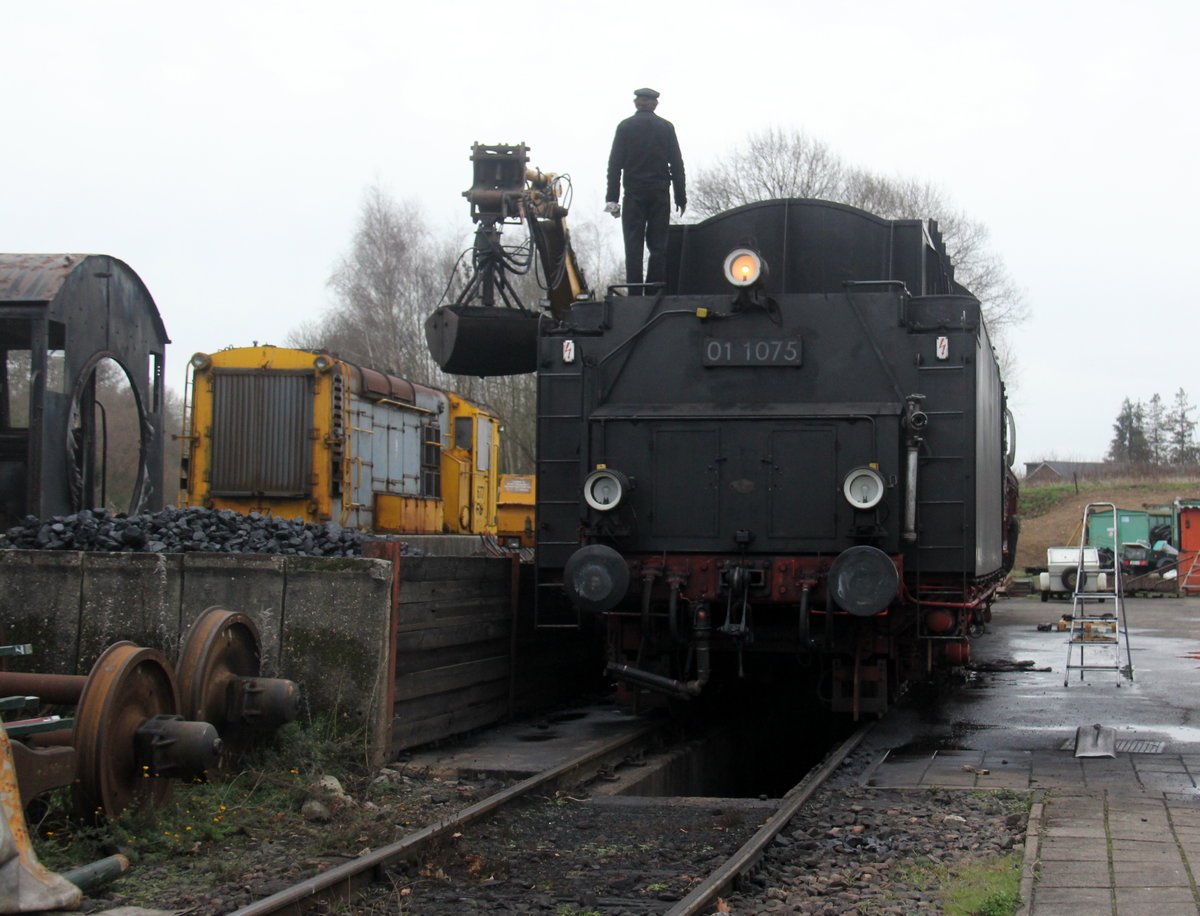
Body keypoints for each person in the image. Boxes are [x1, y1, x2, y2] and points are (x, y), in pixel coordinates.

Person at [605, 88, 686, 286]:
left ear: (636, 103)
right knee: (658, 247)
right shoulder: (666, 127)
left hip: (634, 195)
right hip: (659, 195)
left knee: (633, 245)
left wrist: (612, 198)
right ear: (654, 104)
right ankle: (654, 290)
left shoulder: (625, 127)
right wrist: (680, 197)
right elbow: (677, 164)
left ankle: (634, 292)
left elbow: (615, 165)